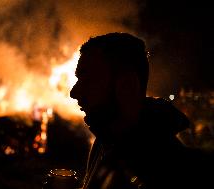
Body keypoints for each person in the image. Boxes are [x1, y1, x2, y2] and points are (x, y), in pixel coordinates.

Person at [70, 32, 213, 189]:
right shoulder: (107, 141)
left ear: (127, 86)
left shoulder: (166, 171)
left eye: (88, 80)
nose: (74, 92)